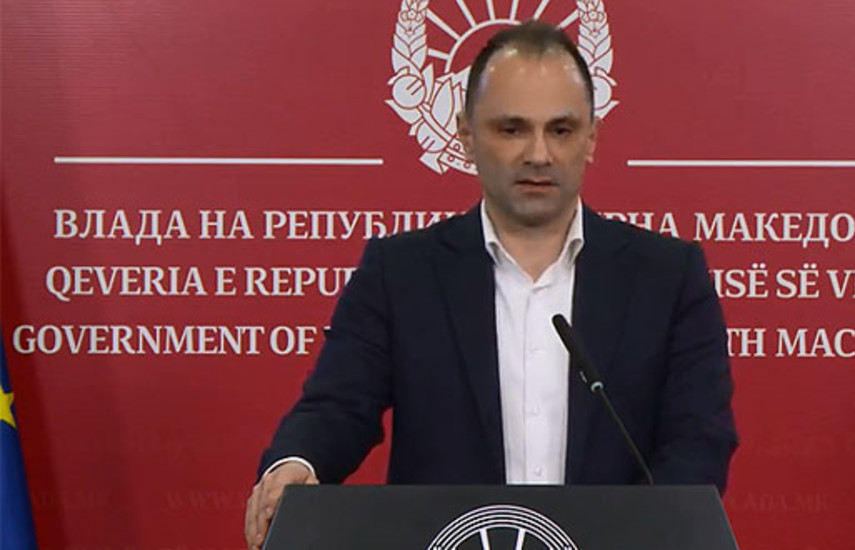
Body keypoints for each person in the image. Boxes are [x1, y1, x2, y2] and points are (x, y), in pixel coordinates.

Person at [244, 20, 737, 549]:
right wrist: (297, 463)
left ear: (592, 137)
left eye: (561, 130)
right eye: (512, 129)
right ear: (465, 135)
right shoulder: (400, 272)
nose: (539, 154)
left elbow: (698, 442)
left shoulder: (668, 276)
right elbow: (337, 408)